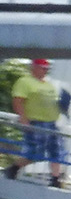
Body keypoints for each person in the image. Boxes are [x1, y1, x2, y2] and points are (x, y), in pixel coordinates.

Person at [9, 59, 63, 187]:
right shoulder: (25, 82)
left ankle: (55, 179)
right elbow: (18, 100)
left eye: (47, 69)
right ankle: (14, 168)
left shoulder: (48, 84)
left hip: (51, 123)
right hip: (36, 121)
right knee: (35, 153)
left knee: (57, 150)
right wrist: (23, 118)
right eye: (43, 68)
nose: (45, 71)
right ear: (34, 67)